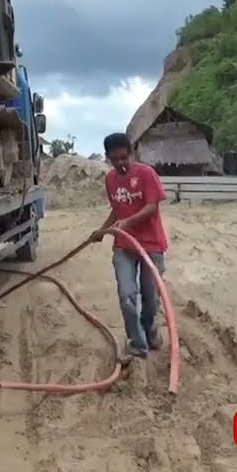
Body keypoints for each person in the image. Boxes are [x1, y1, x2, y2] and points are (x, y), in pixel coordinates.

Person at [89, 132, 169, 360]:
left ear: (131, 154)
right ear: (108, 158)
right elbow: (117, 209)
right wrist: (102, 231)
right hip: (124, 247)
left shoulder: (146, 174)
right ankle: (138, 344)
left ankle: (150, 332)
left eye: (124, 157)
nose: (120, 163)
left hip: (151, 245)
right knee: (127, 296)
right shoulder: (110, 180)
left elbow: (152, 207)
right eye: (115, 159)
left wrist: (128, 222)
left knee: (151, 298)